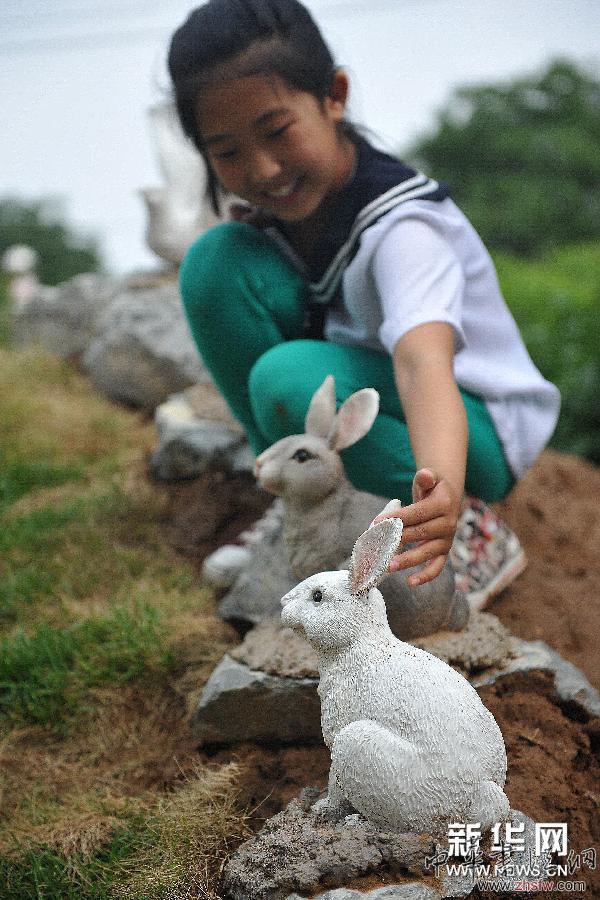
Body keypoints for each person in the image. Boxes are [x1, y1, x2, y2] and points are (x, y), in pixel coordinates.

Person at [167, 0, 560, 605]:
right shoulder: (277, 221)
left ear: (334, 96)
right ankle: (296, 498)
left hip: (473, 429)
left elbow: (421, 363)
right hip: (380, 395)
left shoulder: (403, 230)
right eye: (227, 152)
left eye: (276, 132)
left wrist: (443, 487)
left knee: (289, 377)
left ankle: (472, 526)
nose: (263, 168)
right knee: (215, 264)